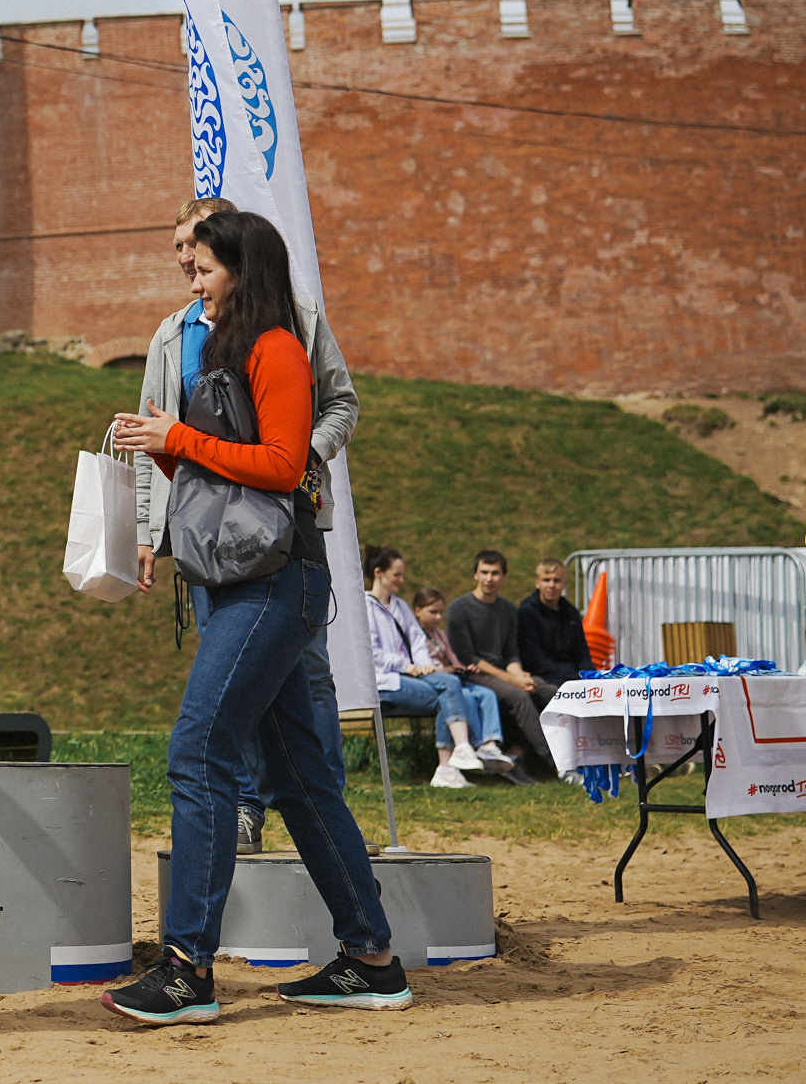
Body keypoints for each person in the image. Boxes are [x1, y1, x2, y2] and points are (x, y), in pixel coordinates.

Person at [104, 210, 408, 1024]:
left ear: (242, 270)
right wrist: (162, 445)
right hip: (250, 578)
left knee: (199, 751)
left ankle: (186, 972)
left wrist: (178, 437)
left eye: (201, 268)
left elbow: (281, 464)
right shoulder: (225, 349)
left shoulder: (276, 347)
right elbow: (221, 466)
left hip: (273, 581)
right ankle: (373, 959)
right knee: (298, 779)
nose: (191, 281)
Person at [135, 195, 361, 855]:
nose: (186, 263)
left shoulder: (296, 325)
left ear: (233, 256)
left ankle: (322, 811)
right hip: (207, 535)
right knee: (228, 673)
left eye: (197, 251)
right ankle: (242, 808)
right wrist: (149, 531)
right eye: (180, 249)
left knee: (308, 672)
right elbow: (160, 435)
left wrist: (300, 457)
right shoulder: (173, 334)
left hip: (284, 529)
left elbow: (342, 402)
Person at [364, 547, 511, 788]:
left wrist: (424, 665)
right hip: (387, 681)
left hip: (413, 675)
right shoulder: (365, 607)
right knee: (452, 689)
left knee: (456, 692)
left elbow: (417, 641)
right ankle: (461, 752)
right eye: (397, 575)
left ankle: (448, 767)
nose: (402, 580)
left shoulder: (400, 606)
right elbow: (370, 652)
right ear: (379, 573)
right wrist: (407, 665)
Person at [445, 552, 554, 782]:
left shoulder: (507, 609)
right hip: (472, 674)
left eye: (495, 573)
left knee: (550, 692)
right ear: (475, 574)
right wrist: (512, 679)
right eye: (484, 572)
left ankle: (518, 756)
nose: (489, 578)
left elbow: (511, 653)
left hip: (503, 672)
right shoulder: (459, 609)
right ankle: (557, 765)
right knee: (519, 696)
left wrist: (520, 675)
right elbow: (467, 659)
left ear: (504, 576)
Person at [518, 557, 591, 698]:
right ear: (537, 583)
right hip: (541, 677)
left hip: (572, 675)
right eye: (546, 580)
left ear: (564, 584)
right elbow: (533, 661)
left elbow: (582, 653)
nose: (551, 585)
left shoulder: (571, 613)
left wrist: (590, 676)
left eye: (557, 581)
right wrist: (573, 676)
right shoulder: (526, 613)